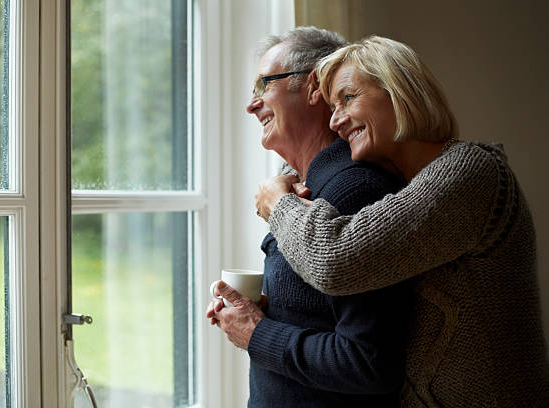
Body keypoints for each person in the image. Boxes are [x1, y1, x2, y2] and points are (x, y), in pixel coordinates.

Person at [254, 35, 549, 407]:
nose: (336, 120)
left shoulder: (472, 173)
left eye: (348, 98)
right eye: (331, 107)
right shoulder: (404, 186)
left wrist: (279, 202)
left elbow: (336, 260)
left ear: (399, 91)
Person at [206, 27, 412, 407]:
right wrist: (255, 316)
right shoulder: (303, 187)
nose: (252, 106)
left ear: (315, 86)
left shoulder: (354, 191)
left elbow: (369, 363)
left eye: (264, 86)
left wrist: (256, 332)